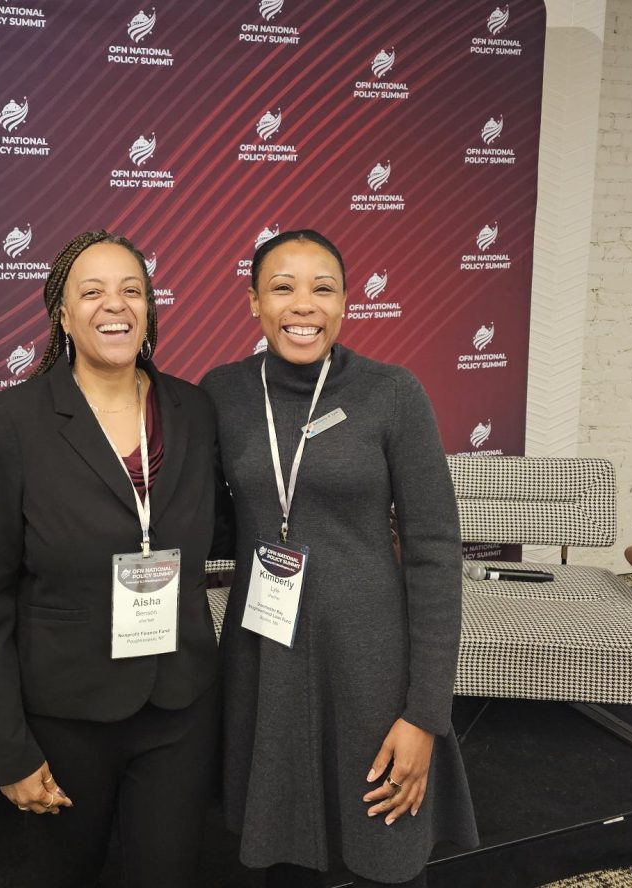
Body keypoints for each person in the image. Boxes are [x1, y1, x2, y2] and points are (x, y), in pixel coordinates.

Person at [200, 230, 478, 887]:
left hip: (371, 668)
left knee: (384, 850)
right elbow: (204, 523)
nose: (304, 305)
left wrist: (424, 715)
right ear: (252, 303)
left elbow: (435, 552)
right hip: (265, 661)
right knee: (286, 857)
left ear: (347, 302)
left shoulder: (392, 393)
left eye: (323, 288)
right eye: (282, 287)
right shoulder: (222, 394)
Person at [0, 230, 221, 888]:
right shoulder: (12, 421)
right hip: (65, 716)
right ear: (63, 314)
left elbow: (227, 525)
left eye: (133, 290)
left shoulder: (194, 409)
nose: (117, 304)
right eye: (93, 290)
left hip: (178, 705)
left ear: (151, 312)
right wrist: (8, 749)